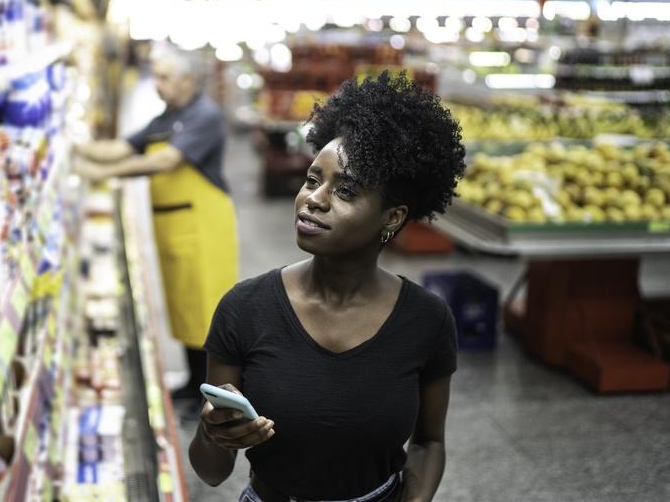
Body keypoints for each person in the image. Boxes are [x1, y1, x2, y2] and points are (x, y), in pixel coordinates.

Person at [189, 73, 467, 502]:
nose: (314, 199)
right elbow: (210, 473)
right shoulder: (243, 309)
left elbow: (430, 442)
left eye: (346, 190)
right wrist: (215, 433)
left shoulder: (426, 320)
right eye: (313, 179)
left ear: (392, 218)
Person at [74, 44, 238, 413]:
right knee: (182, 306)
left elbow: (165, 161)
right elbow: (122, 147)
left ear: (186, 79)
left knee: (207, 310)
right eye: (157, 76)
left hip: (203, 226)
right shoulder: (166, 117)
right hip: (173, 224)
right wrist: (77, 149)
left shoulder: (204, 116)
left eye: (164, 77)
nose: (157, 84)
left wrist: (104, 174)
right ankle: (193, 384)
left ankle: (212, 395)